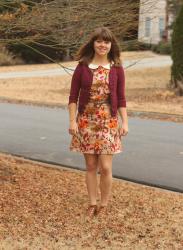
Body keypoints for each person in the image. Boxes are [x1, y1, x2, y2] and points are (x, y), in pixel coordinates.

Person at [68, 27, 128, 218]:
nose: (103, 45)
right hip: (86, 120)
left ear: (111, 45)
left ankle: (104, 204)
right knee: (91, 166)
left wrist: (124, 122)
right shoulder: (82, 66)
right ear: (93, 43)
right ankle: (92, 203)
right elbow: (72, 98)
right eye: (99, 41)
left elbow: (121, 97)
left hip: (108, 122)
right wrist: (72, 121)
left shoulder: (117, 67)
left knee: (106, 167)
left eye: (107, 42)